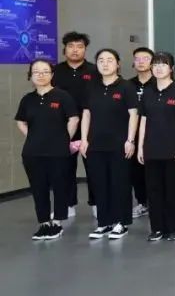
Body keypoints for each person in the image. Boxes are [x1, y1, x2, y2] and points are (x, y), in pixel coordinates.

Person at [15, 59, 79, 240]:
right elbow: (20, 121)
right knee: (38, 188)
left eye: (45, 71)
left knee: (60, 186)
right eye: (36, 71)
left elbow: (73, 119)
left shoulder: (62, 96)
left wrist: (63, 139)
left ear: (52, 74)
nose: (41, 75)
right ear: (30, 76)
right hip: (32, 152)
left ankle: (57, 222)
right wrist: (32, 137)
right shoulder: (27, 99)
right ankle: (44, 223)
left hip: (58, 151)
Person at [80, 49, 139, 240]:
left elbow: (133, 114)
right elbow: (86, 114)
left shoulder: (126, 86)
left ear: (118, 63)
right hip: (95, 144)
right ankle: (103, 223)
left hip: (119, 144)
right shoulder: (91, 87)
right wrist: (84, 139)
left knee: (119, 183)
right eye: (101, 60)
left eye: (110, 60)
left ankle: (121, 222)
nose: (105, 64)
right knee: (99, 183)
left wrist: (130, 140)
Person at [137, 51, 175, 241]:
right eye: (155, 64)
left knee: (173, 190)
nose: (159, 68)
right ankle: (157, 228)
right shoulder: (148, 92)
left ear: (171, 68)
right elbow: (143, 120)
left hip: (173, 149)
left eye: (163, 64)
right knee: (153, 190)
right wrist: (140, 147)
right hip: (151, 149)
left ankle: (174, 227)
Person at [52, 31, 98, 218]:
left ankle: (96, 203)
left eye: (80, 46)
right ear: (64, 49)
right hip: (63, 126)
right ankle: (68, 204)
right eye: (71, 46)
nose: (75, 50)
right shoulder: (55, 71)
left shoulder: (95, 71)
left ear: (85, 49)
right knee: (64, 168)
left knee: (93, 167)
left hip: (90, 126)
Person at [129, 47, 154, 220]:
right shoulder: (127, 85)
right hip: (134, 134)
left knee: (154, 171)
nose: (141, 62)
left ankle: (157, 202)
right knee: (136, 172)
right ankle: (142, 203)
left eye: (145, 58)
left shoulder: (159, 83)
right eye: (137, 59)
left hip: (155, 134)